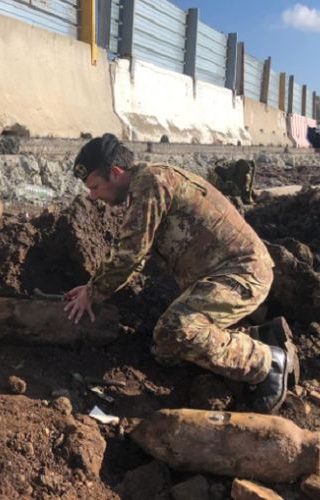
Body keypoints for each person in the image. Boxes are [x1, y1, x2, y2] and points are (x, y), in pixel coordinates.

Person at [63, 134, 298, 413]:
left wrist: (92, 292)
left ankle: (267, 363)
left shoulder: (151, 184)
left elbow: (129, 254)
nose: (93, 195)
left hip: (242, 273)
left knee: (176, 331)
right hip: (223, 275)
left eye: (95, 187)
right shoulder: (147, 182)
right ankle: (260, 335)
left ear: (115, 174)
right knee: (165, 350)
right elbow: (135, 255)